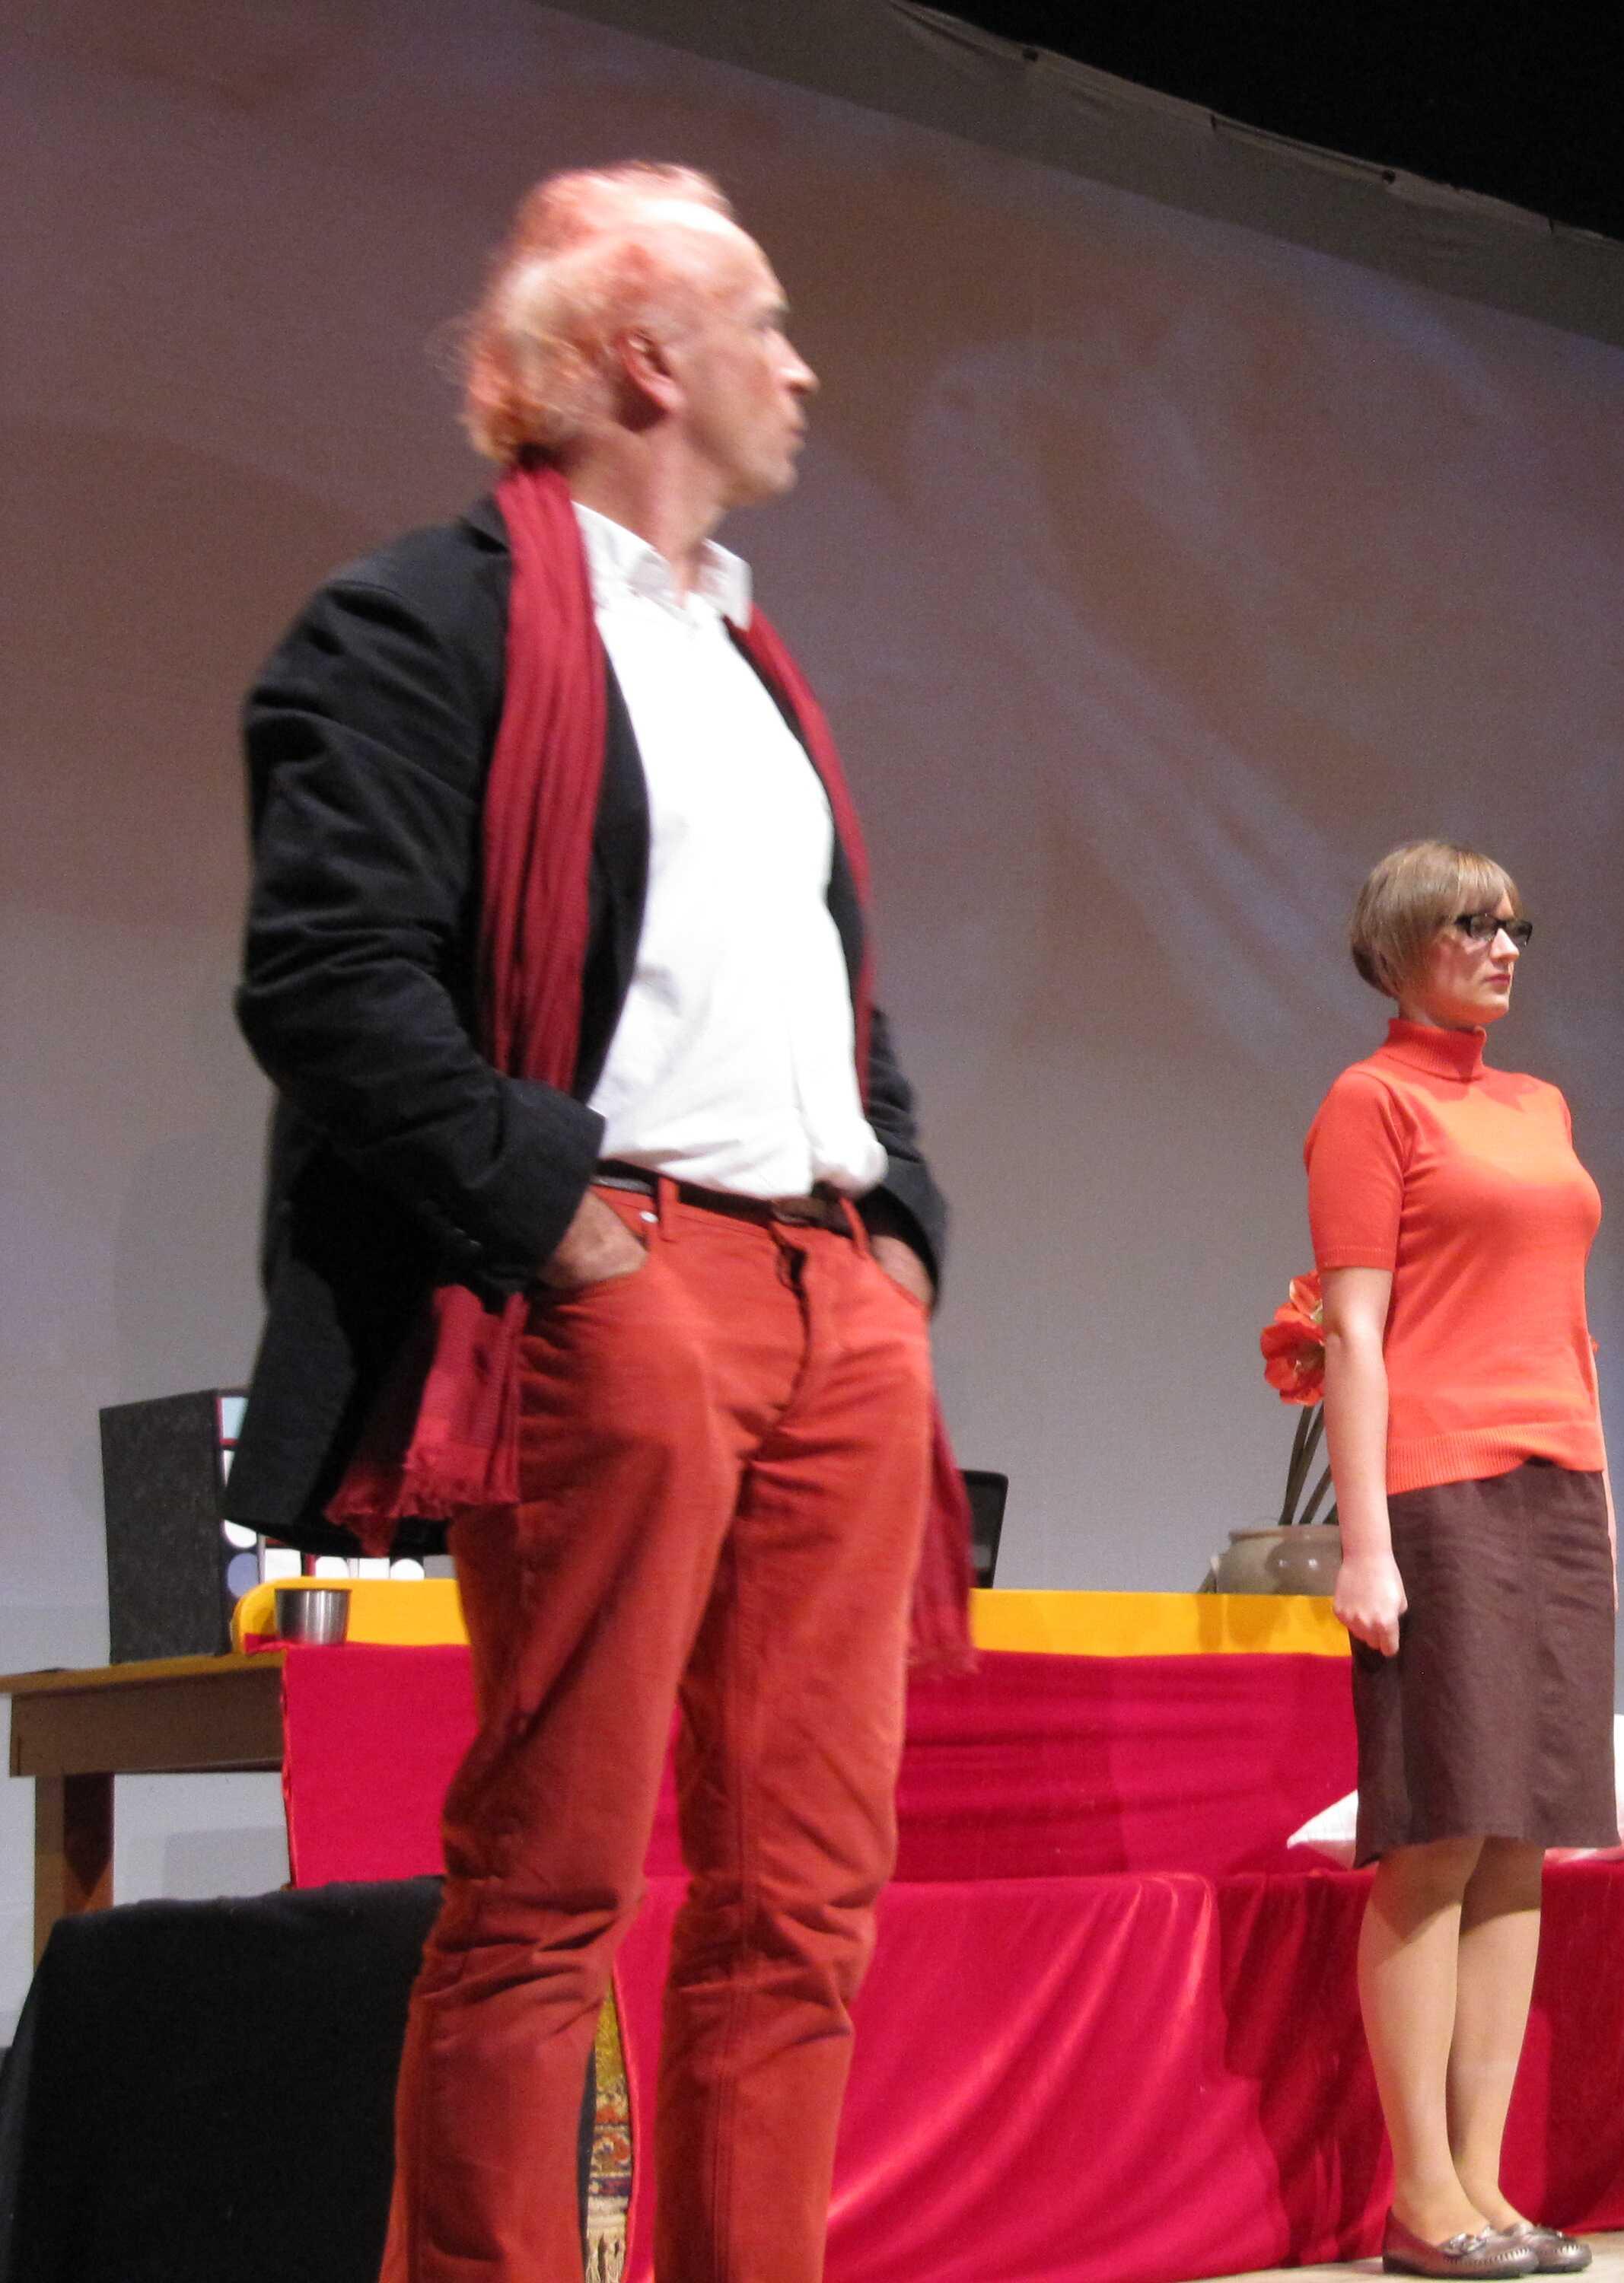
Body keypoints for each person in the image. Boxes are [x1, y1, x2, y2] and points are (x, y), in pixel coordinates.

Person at [228, 164, 966, 2283]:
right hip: (621, 1277)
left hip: (829, 1290)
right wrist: (563, 1229)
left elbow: (826, 990)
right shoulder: (423, 619)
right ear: (647, 357)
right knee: (551, 1881)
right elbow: (327, 977)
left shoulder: (747, 655)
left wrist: (898, 1231)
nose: (801, 368)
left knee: (805, 1889)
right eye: (766, 324)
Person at [1306, 842, 1619, 2281]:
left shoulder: (1539, 1103)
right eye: (1471, 925)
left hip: (1559, 1485)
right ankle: (1422, 2197)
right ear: (1399, 945)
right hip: (1438, 1487)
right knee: (1439, 1833)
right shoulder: (1369, 1102)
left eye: (1515, 925)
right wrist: (1364, 1544)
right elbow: (1352, 1333)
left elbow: (1570, 1324)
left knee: (1520, 1838)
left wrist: (1606, 1505)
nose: (1503, 947)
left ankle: (1485, 2186)